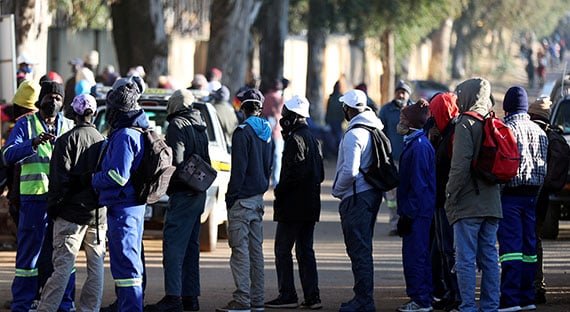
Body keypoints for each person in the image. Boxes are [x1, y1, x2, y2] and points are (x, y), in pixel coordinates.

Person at [3, 81, 75, 312]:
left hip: (62, 201)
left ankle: (64, 303)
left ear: (63, 102)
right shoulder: (25, 124)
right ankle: (23, 304)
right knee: (29, 256)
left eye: (58, 98)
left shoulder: (70, 126)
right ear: (40, 100)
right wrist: (32, 144)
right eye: (49, 97)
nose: (53, 101)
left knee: (63, 254)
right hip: (33, 199)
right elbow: (7, 155)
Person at [37, 94, 107, 312]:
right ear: (94, 113)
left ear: (72, 113)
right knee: (96, 268)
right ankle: (90, 309)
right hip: (97, 215)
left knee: (62, 268)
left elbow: (58, 183)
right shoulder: (104, 142)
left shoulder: (66, 140)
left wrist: (55, 209)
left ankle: (46, 309)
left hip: (70, 216)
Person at [145, 89, 210, 312]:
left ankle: (173, 298)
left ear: (174, 104)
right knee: (191, 247)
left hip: (182, 194)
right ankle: (191, 298)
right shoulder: (200, 125)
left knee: (173, 246)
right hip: (199, 193)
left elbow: (177, 162)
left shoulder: (177, 125)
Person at [92, 75, 148, 312]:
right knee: (129, 264)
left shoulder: (126, 135)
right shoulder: (133, 130)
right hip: (127, 207)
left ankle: (130, 308)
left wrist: (93, 179)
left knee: (126, 266)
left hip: (124, 208)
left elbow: (118, 176)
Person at [445, 77, 502, 312]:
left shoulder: (466, 123)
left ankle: (468, 305)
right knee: (489, 257)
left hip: (468, 204)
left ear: (468, 95)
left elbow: (460, 166)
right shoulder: (493, 121)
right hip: (492, 203)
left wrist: (450, 194)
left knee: (466, 259)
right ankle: (490, 305)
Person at [265, 95, 324, 310]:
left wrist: (280, 191)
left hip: (293, 207)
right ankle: (312, 297)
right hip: (309, 206)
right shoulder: (313, 139)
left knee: (283, 250)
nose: (283, 119)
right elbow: (320, 174)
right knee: (305, 251)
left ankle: (287, 294)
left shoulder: (295, 140)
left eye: (286, 114)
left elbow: (293, 174)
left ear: (294, 116)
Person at [217, 88, 273, 312]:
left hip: (242, 200)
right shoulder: (266, 131)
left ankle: (242, 300)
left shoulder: (242, 132)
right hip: (258, 198)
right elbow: (268, 166)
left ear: (242, 108)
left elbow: (238, 171)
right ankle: (257, 299)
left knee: (240, 251)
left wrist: (231, 198)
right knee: (255, 251)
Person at [332, 89, 383, 312]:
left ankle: (364, 301)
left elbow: (350, 172)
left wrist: (336, 190)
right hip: (370, 195)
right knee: (363, 248)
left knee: (359, 251)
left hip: (356, 197)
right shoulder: (374, 127)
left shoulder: (354, 134)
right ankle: (363, 298)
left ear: (349, 109)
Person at [498, 86, 548, 312]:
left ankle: (510, 299)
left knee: (510, 249)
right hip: (532, 197)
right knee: (529, 249)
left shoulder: (506, 129)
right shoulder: (540, 132)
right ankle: (527, 298)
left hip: (509, 197)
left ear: (507, 106)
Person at [395, 98, 436, 312]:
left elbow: (418, 185)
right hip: (417, 211)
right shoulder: (415, 143)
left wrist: (408, 214)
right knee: (418, 255)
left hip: (417, 213)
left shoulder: (419, 147)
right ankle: (423, 295)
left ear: (411, 122)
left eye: (403, 118)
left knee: (415, 256)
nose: (399, 121)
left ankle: (421, 299)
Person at [428, 92, 461, 311]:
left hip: (447, 202)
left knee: (449, 251)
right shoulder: (445, 130)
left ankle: (457, 295)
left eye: (435, 110)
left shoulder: (453, 134)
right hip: (442, 200)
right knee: (443, 249)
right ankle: (451, 292)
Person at [527, 96, 553, 305]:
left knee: (523, 241)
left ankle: (526, 284)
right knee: (536, 241)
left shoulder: (530, 132)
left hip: (525, 196)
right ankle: (538, 284)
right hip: (542, 196)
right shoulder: (550, 135)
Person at [379, 80, 413, 236]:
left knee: (408, 192)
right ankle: (394, 224)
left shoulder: (415, 109)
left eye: (404, 92)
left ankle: (407, 223)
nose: (401, 94)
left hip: (411, 160)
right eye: (399, 91)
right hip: (392, 160)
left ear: (408, 94)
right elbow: (381, 134)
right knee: (391, 196)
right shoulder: (386, 110)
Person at [261, 79, 284, 187]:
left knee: (266, 154)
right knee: (277, 156)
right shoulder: (282, 99)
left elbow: (263, 112)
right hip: (278, 131)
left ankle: (264, 177)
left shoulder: (266, 97)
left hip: (266, 130)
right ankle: (276, 180)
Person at [325, 76, 348, 152]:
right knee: (330, 138)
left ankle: (336, 152)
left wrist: (342, 119)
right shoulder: (331, 98)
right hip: (332, 121)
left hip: (337, 121)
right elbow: (328, 110)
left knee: (338, 138)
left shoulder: (341, 98)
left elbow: (342, 111)